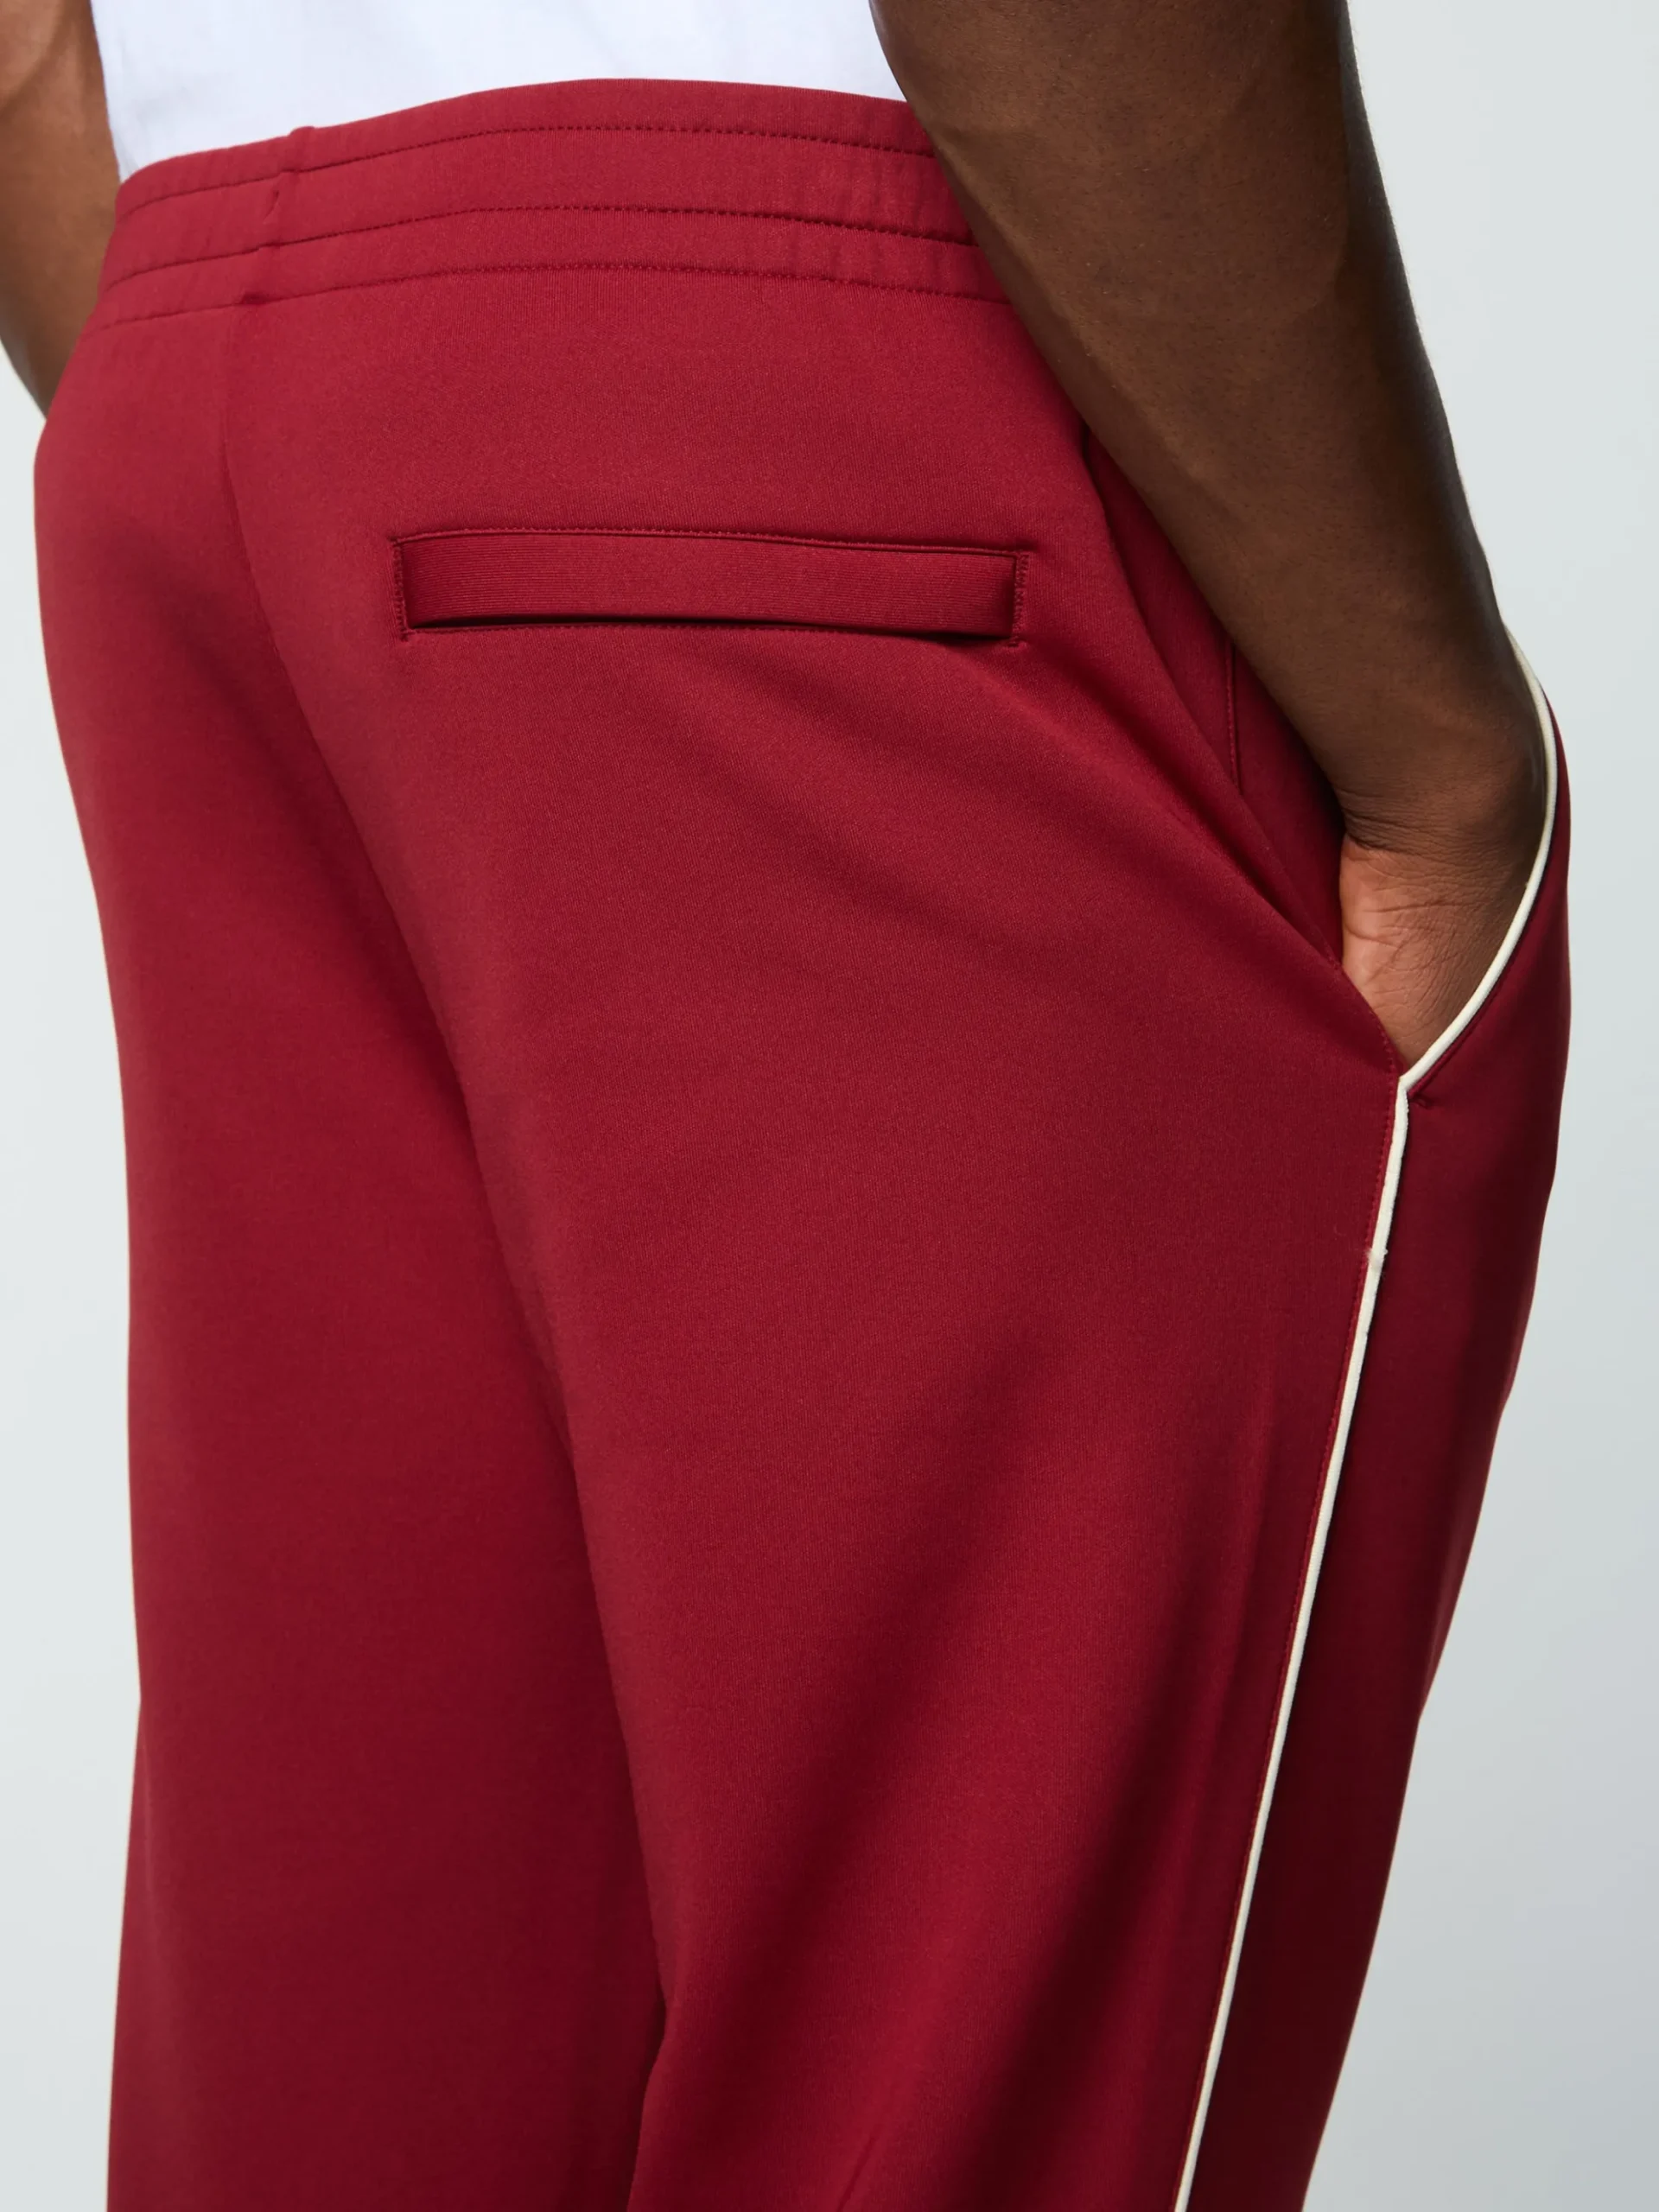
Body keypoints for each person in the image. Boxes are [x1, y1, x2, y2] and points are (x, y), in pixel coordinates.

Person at [0, 4, 1569, 2208]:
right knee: (954, 2062)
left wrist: (341, 384)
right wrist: (1441, 753)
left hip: (198, 379)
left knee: (366, 2002)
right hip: (797, 415)